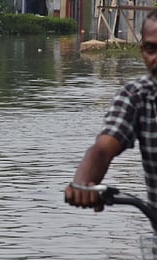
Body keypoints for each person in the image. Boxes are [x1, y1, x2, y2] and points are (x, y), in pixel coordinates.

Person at [64, 8, 157, 212]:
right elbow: (103, 149)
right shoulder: (137, 96)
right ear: (142, 52)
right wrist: (83, 183)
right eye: (151, 49)